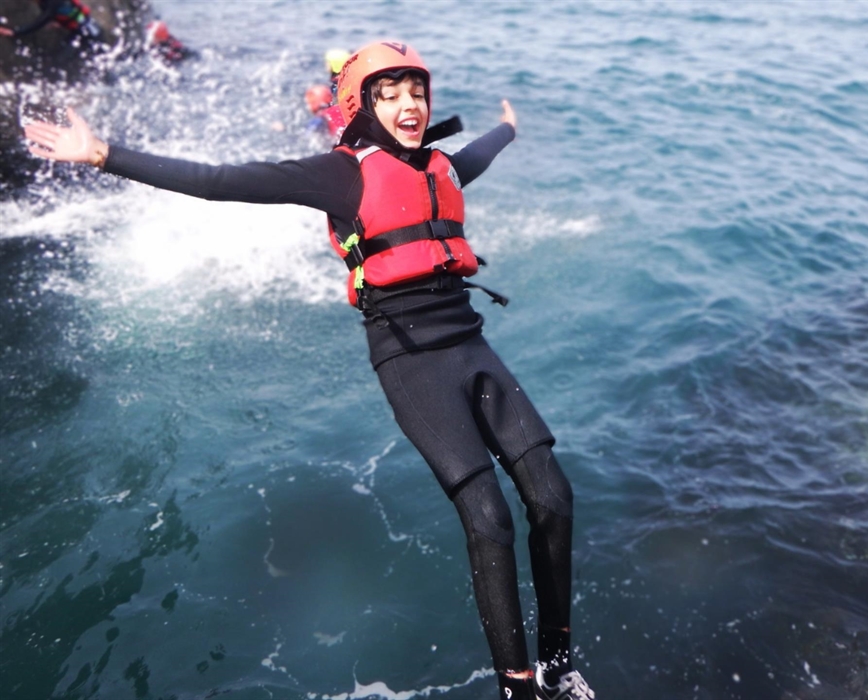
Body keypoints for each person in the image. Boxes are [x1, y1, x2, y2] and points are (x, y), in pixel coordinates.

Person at [22, 40, 596, 700]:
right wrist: (103, 154)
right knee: (489, 518)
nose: (409, 105)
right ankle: (517, 688)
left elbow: (476, 155)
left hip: (470, 345)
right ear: (363, 107)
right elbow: (219, 182)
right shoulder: (339, 176)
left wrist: (508, 128)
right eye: (390, 95)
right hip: (411, 360)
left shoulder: (439, 167)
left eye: (417, 92)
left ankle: (557, 665)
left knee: (553, 498)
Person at [0, 0, 105, 54]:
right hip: (80, 29)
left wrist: (15, 32)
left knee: (63, 57)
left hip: (88, 32)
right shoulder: (45, 3)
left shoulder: (52, 1)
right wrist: (59, 21)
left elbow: (39, 22)